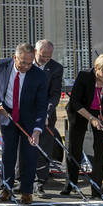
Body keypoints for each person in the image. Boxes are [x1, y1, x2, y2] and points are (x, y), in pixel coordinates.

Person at [0, 43, 48, 205]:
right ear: (15, 57)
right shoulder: (1, 66)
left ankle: (27, 192)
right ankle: (6, 189)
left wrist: (37, 130)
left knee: (29, 155)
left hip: (29, 119)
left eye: (30, 63)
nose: (27, 67)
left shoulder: (39, 76)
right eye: (23, 63)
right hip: (7, 116)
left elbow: (42, 105)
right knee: (8, 155)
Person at [63, 54, 103, 198]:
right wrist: (91, 118)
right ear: (97, 68)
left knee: (101, 151)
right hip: (80, 112)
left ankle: (96, 189)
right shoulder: (84, 76)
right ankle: (71, 184)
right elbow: (75, 102)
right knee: (74, 148)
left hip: (102, 114)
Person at [31, 39, 65, 196]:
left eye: (49, 56)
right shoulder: (26, 62)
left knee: (43, 147)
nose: (46, 59)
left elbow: (55, 94)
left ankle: (39, 183)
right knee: (22, 146)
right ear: (36, 52)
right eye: (43, 55)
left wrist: (46, 113)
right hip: (25, 113)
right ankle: (21, 180)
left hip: (46, 114)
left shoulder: (56, 68)